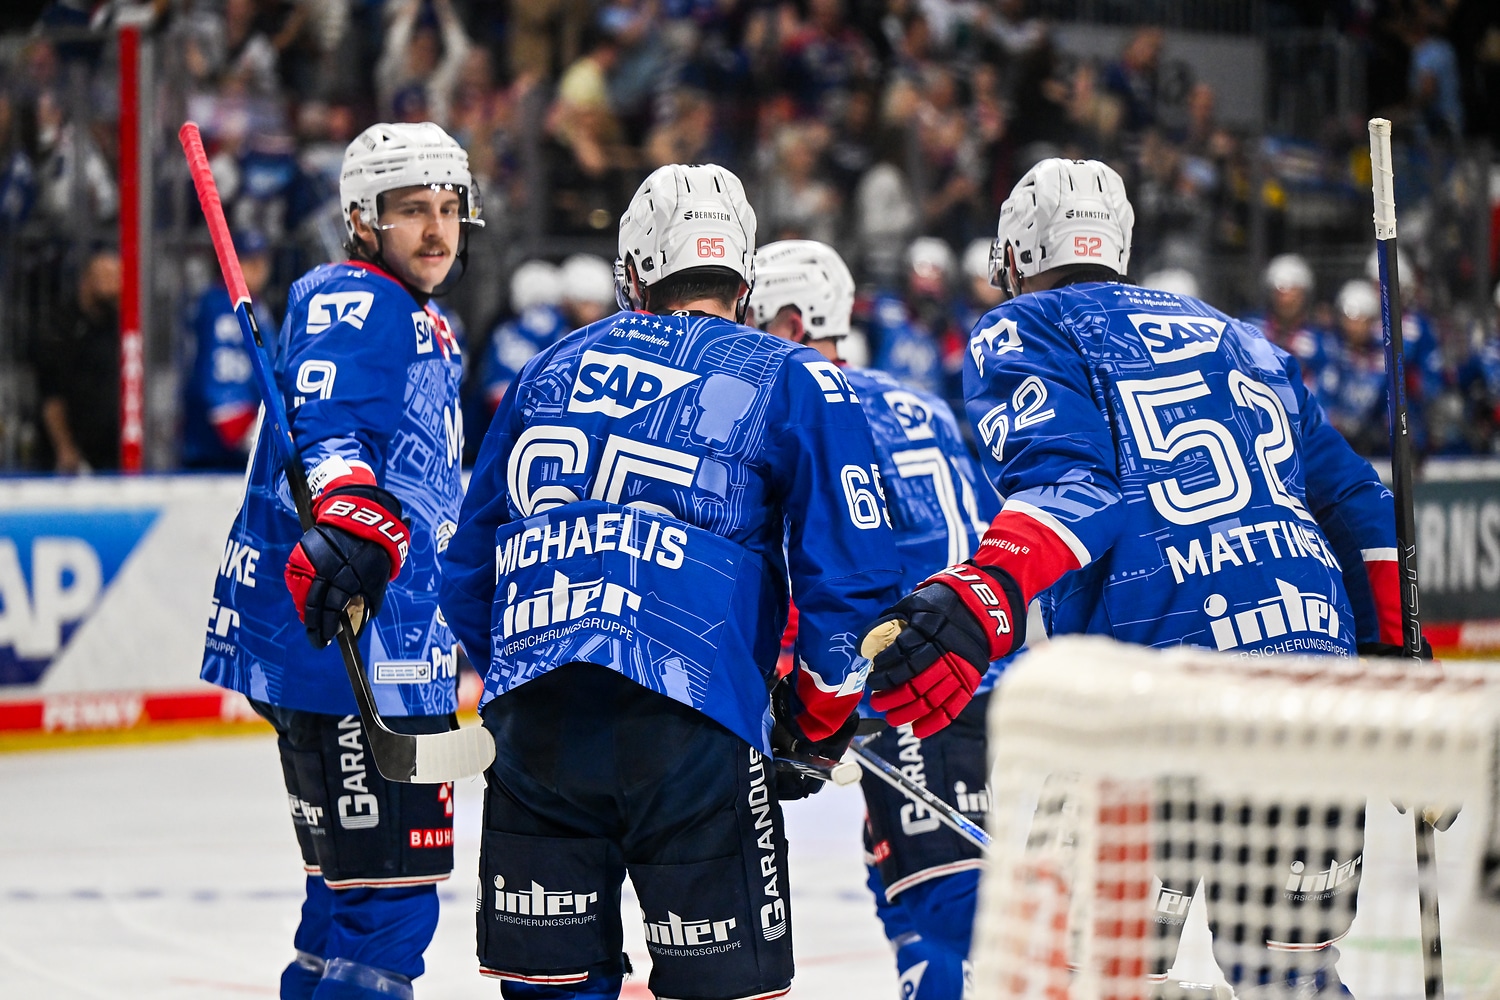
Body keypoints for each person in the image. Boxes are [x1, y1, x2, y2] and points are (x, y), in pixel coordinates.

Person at [863, 158, 1418, 997]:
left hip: (1155, 684)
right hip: (1307, 677)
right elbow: (1361, 503)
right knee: (1289, 974)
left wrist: (979, 596)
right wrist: (1394, 657)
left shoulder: (1028, 325)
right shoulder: (1246, 337)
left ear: (1013, 257)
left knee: (1088, 973)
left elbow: (1077, 492)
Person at [439, 163, 903, 999]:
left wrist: (526, 662)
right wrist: (819, 713)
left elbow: (469, 566)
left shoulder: (550, 367)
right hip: (695, 723)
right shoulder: (791, 373)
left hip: (538, 721)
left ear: (633, 272)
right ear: (744, 272)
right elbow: (856, 575)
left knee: (553, 990)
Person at [199, 122, 482, 1000]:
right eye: (411, 212)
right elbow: (329, 431)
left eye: (448, 209)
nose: (436, 231)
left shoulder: (416, 311)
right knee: (386, 913)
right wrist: (351, 517)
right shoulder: (357, 299)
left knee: (341, 906)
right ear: (363, 218)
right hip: (359, 650)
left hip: (359, 646)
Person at [750, 238, 1002, 1000]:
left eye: (751, 321)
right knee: (907, 885)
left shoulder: (800, 412)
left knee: (943, 915)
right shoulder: (918, 399)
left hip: (909, 691)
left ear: (792, 322)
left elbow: (835, 570)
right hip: (985, 672)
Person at [181, 229, 276, 470]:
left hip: (229, 449)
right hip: (218, 454)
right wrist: (259, 441)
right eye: (248, 261)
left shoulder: (250, 304)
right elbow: (225, 397)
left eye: (261, 260)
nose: (258, 268)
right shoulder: (224, 309)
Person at [36, 247, 122, 474]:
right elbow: (52, 396)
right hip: (73, 456)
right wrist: (65, 448)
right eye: (106, 277)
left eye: (117, 278)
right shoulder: (60, 328)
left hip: (115, 454)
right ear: (86, 282)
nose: (115, 286)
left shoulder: (120, 326)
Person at [1248, 253, 1333, 394]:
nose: (1285, 301)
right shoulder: (1250, 328)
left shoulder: (1319, 341)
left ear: (1304, 296)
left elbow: (1327, 389)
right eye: (1280, 293)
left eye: (1293, 294)